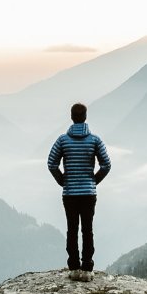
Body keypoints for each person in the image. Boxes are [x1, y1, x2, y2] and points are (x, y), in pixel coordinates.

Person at [47, 102, 112, 272]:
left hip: (69, 193)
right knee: (87, 229)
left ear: (71, 117)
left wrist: (62, 180)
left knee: (72, 229)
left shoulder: (62, 140)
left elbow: (51, 163)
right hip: (88, 193)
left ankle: (74, 266)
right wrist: (93, 181)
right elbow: (106, 164)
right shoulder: (95, 140)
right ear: (85, 117)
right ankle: (87, 266)